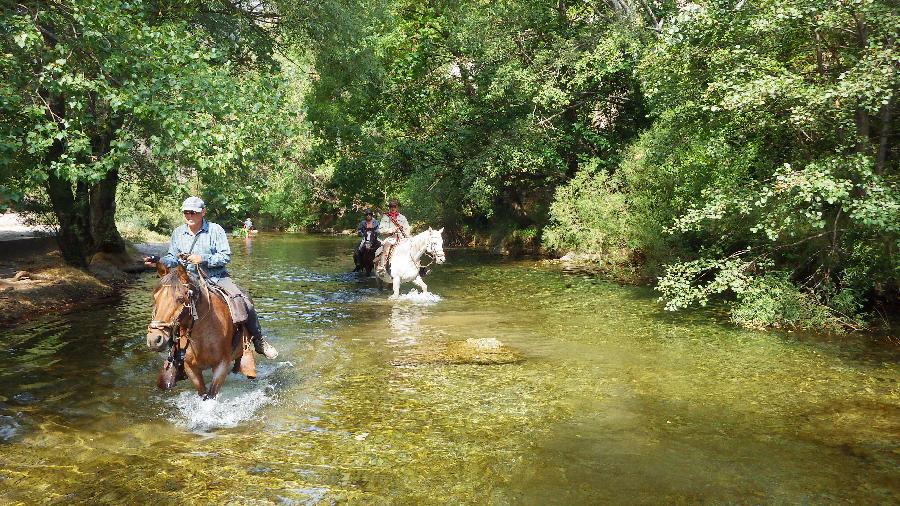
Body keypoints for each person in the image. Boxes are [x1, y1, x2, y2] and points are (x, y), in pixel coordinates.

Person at [143, 196, 278, 359]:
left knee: (244, 300)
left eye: (193, 212)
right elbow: (172, 257)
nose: (189, 216)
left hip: (216, 277)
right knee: (168, 303)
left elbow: (225, 256)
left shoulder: (215, 230)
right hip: (187, 279)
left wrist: (203, 258)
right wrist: (159, 260)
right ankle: (173, 349)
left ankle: (259, 341)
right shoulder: (178, 232)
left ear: (203, 212)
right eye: (186, 212)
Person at [377, 199, 410, 275]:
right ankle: (382, 267)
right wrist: (391, 230)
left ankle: (418, 266)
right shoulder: (385, 217)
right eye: (391, 206)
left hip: (402, 238)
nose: (393, 208)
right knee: (387, 246)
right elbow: (380, 230)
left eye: (394, 206)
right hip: (390, 238)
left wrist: (407, 236)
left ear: (397, 207)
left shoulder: (402, 217)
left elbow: (407, 228)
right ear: (389, 207)